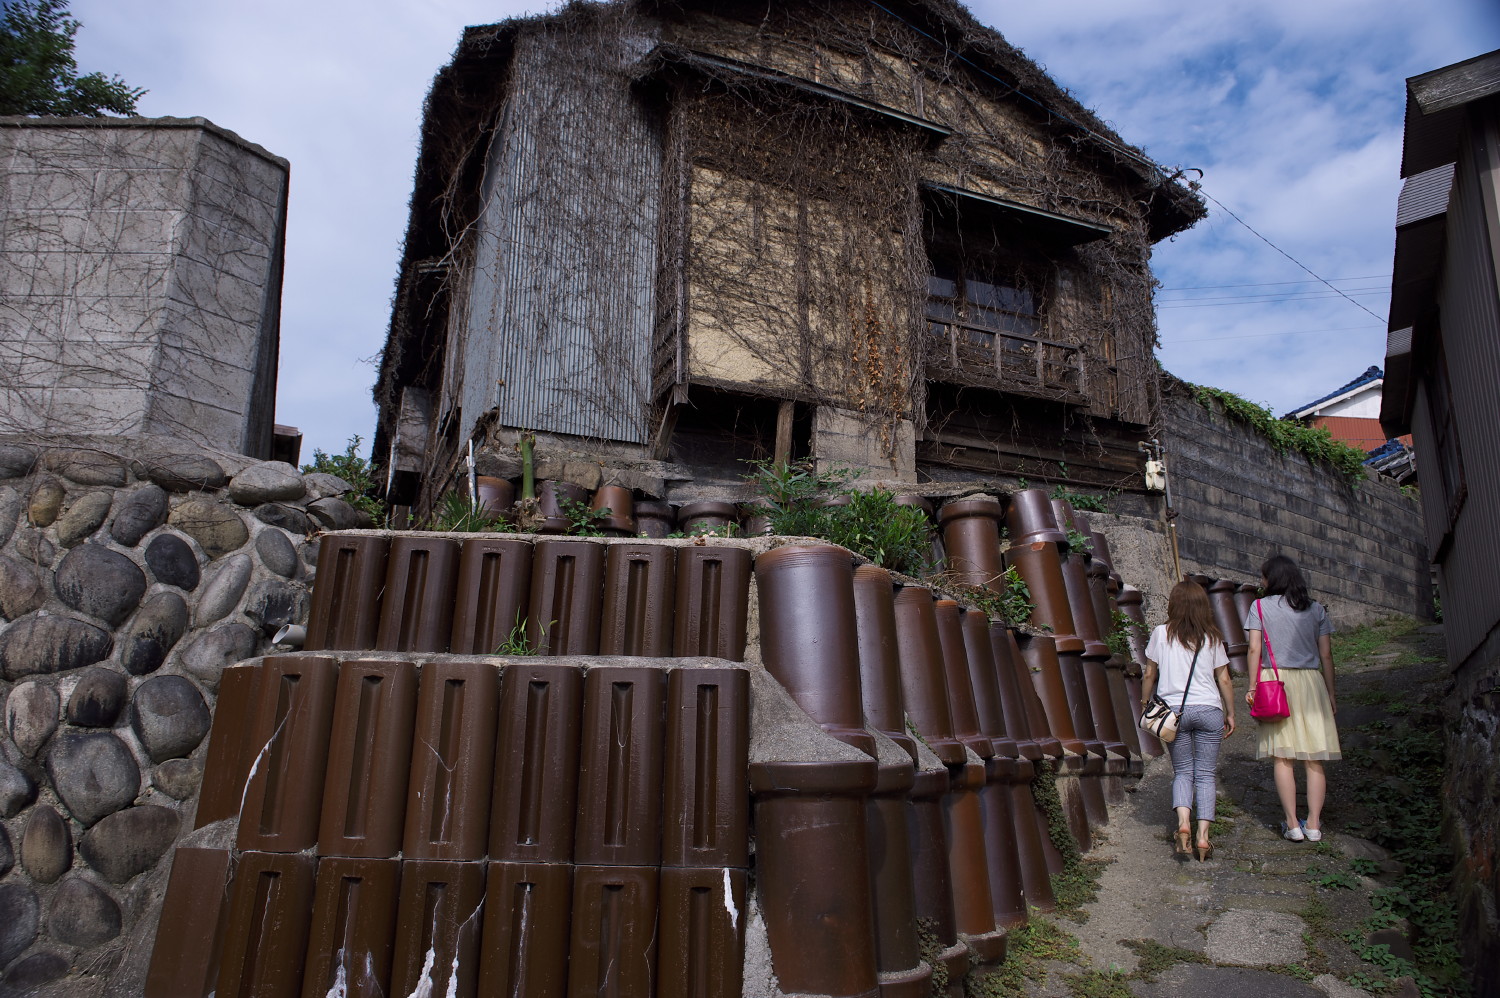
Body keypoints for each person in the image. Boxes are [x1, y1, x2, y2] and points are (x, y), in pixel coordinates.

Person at [1243, 554, 1339, 842]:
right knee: (1314, 758)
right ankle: (1313, 824)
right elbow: (1326, 655)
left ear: (1273, 579)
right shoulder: (1317, 609)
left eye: (1263, 577)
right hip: (1311, 683)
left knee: (1282, 757)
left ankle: (1291, 824)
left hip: (1275, 681)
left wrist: (1251, 686)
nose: (1261, 582)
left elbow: (1253, 650)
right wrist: (1332, 693)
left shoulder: (1259, 606)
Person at [1141, 580, 1236, 861]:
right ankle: (1203, 836)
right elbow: (1225, 678)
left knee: (1183, 771)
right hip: (1208, 710)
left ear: (1173, 604)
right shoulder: (1212, 636)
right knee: (1205, 774)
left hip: (1174, 712)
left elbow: (1149, 674)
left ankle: (1183, 823)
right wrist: (1230, 713)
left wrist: (1146, 702)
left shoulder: (1161, 633)